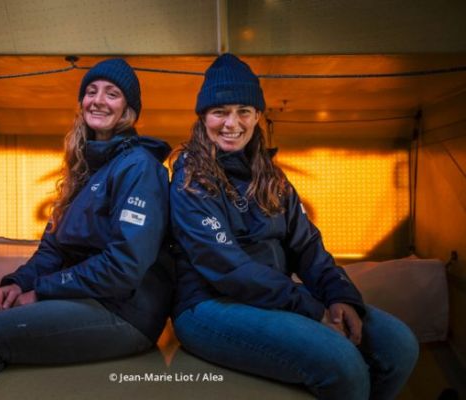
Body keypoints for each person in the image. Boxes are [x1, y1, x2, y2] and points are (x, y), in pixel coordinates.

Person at [169, 53, 419, 400]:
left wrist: (339, 296)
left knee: (399, 345)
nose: (232, 123)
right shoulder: (190, 179)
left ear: (258, 115)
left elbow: (307, 247)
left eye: (243, 111)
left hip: (273, 297)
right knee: (341, 364)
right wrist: (312, 309)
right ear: (203, 117)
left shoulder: (272, 177)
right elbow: (228, 268)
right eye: (220, 112)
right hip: (208, 305)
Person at [0, 58, 173, 398]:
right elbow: (53, 248)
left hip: (124, 311)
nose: (98, 100)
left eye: (112, 94)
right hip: (82, 297)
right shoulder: (84, 166)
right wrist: (19, 282)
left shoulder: (140, 168)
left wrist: (41, 291)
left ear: (129, 110)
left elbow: (124, 266)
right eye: (91, 91)